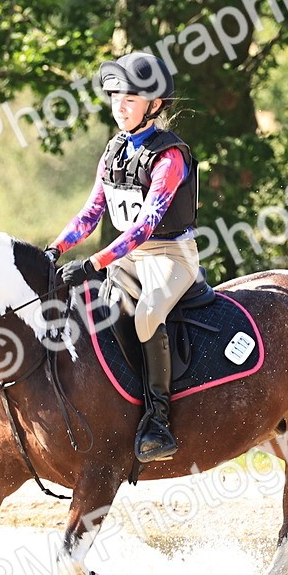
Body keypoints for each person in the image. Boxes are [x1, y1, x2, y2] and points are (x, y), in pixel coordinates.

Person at [45, 52, 199, 465]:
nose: (120, 106)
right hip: (128, 257)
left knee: (148, 314)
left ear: (155, 105)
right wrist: (55, 248)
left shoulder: (171, 157)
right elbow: (91, 212)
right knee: (90, 308)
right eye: (115, 97)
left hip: (171, 257)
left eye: (130, 99)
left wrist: (94, 263)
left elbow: (145, 227)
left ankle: (159, 421)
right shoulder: (113, 151)